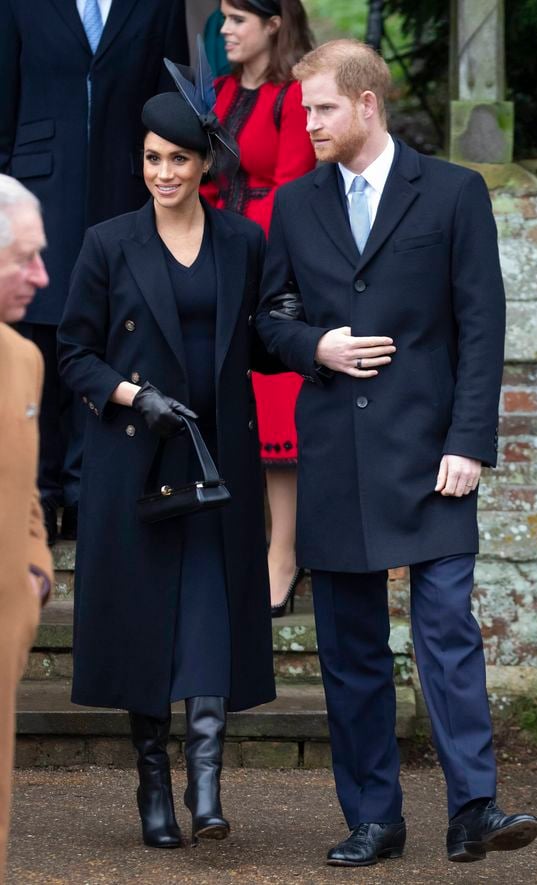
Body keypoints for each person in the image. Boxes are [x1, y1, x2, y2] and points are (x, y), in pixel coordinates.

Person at [256, 39, 537, 867]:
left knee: (448, 631)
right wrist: (319, 346)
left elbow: (483, 327)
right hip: (336, 457)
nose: (306, 122)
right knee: (349, 650)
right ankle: (375, 818)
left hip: (432, 458)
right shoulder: (295, 204)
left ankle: (473, 810)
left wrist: (470, 444)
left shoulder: (452, 193)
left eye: (321, 108)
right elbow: (268, 322)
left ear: (367, 103)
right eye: (303, 110)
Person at [57, 58, 276, 850]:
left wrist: (323, 346)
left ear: (205, 163)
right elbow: (75, 352)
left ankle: (206, 786)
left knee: (211, 617)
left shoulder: (243, 242)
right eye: (151, 158)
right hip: (134, 460)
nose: (162, 172)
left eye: (177, 158)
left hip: (218, 460)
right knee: (145, 624)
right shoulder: (108, 243)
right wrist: (131, 396)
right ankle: (154, 784)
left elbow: (268, 332)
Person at [0, 0, 189, 545]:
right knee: (38, 335)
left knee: (108, 337)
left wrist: (163, 185)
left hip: (123, 189)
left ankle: (87, 494)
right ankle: (39, 491)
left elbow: (169, 97)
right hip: (37, 191)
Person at [201, 0, 316, 614]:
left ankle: (283, 555)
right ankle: (233, 549)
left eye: (237, 20)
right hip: (213, 252)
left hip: (269, 259)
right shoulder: (215, 91)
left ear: (273, 23)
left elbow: (298, 187)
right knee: (220, 399)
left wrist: (269, 264)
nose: (225, 31)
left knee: (274, 410)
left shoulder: (294, 97)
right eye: (222, 19)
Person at [0, 175, 52, 884]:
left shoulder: (26, 359)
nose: (44, 276)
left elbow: (27, 488)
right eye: (24, 257)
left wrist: (37, 566)